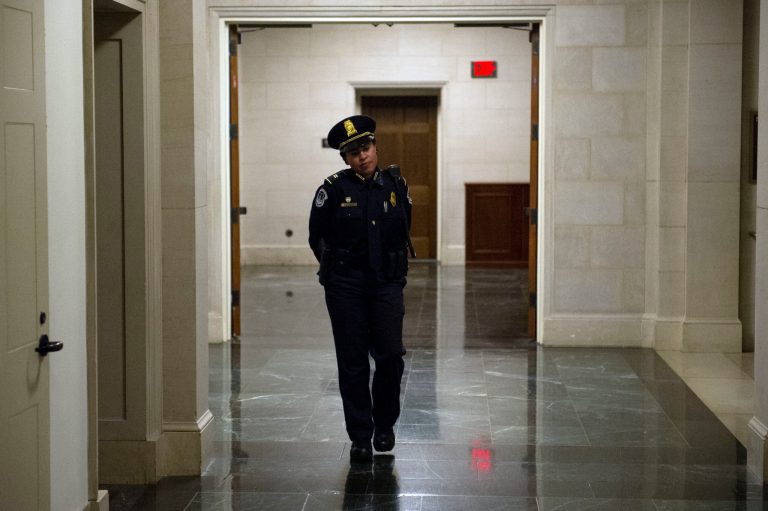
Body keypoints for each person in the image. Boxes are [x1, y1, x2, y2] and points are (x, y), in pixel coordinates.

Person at [309, 115, 412, 460]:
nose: (362, 156)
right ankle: (360, 435)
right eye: (353, 153)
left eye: (365, 148)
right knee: (352, 362)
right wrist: (336, 273)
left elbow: (402, 232)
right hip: (346, 287)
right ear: (345, 158)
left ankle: (384, 426)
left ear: (375, 146)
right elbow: (317, 237)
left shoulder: (395, 186)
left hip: (386, 284)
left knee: (390, 356)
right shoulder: (333, 189)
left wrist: (395, 274)